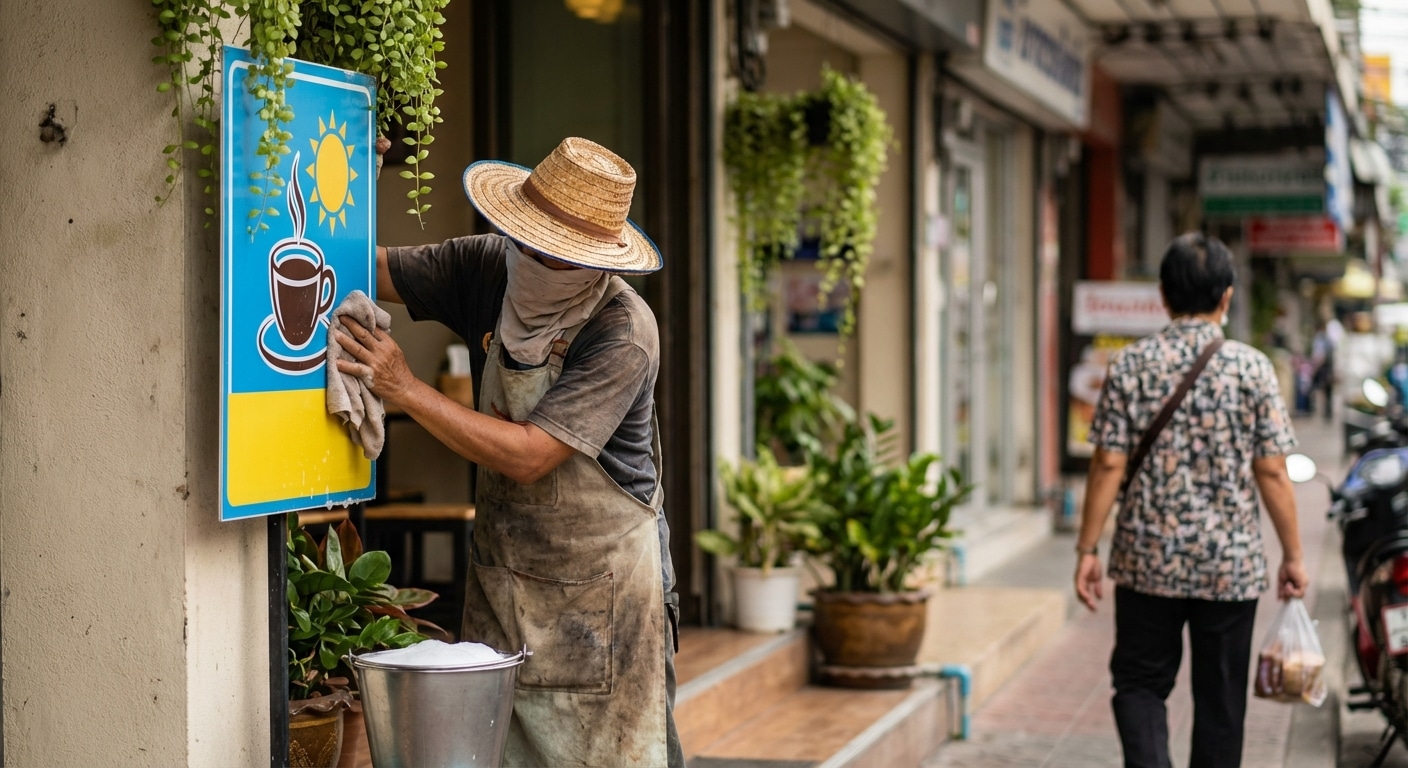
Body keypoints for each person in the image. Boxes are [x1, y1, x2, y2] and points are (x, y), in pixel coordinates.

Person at [333, 137, 684, 767]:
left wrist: (404, 388)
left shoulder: (623, 331)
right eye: (528, 240)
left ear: (596, 262)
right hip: (504, 578)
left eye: (559, 255)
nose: (535, 259)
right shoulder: (488, 266)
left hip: (602, 600)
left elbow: (529, 456)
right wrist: (353, 172)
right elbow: (366, 268)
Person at [1072, 233, 1309, 768]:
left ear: (1163, 295)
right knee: (1221, 700)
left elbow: (1107, 463)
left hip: (1146, 561)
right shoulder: (1252, 369)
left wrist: (1087, 549)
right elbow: (1272, 470)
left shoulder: (1130, 364)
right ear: (1227, 296)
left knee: (1139, 683)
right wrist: (1293, 555)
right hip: (1229, 565)